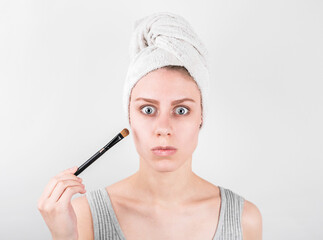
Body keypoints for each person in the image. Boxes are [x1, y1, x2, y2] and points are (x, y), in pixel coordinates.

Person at [38, 12, 262, 240]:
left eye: (181, 110)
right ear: (129, 116)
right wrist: (63, 236)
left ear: (201, 116)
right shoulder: (82, 216)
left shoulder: (244, 220)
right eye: (148, 110)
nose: (163, 128)